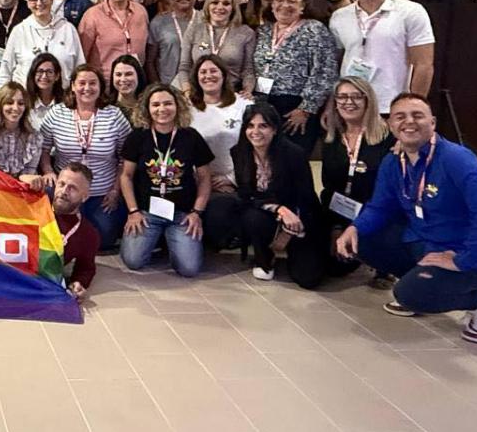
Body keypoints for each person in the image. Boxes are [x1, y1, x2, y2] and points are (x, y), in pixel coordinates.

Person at [336, 94, 477, 342]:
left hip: (468, 255)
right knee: (364, 239)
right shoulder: (393, 162)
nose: (409, 122)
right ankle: (424, 285)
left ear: (433, 122)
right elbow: (380, 207)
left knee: (407, 294)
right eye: (400, 117)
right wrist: (354, 228)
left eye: (417, 115)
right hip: (423, 244)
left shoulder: (456, 159)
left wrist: (464, 259)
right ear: (391, 125)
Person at [225, 101, 327, 287]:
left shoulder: (294, 154)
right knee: (250, 216)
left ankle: (296, 250)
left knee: (308, 279)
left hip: (299, 217)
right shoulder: (239, 152)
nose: (255, 132)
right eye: (250, 126)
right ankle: (264, 254)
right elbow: (247, 195)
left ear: (274, 129)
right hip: (267, 213)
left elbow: (306, 198)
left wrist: (287, 233)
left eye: (263, 126)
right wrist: (279, 209)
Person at [119, 84, 212, 277]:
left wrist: (196, 212)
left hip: (182, 214)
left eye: (168, 103)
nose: (162, 109)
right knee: (133, 261)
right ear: (147, 108)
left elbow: (204, 179)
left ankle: (172, 242)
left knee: (189, 269)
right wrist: (133, 211)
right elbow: (126, 176)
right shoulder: (138, 136)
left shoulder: (191, 136)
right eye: (156, 105)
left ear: (178, 106)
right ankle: (161, 241)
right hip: (146, 212)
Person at [329, 0, 435, 115]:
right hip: (350, 106)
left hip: (391, 107)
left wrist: (413, 109)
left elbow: (424, 65)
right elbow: (336, 63)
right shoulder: (339, 18)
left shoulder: (411, 11)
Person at [39, 64, 131, 248]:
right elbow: (43, 148)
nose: (87, 88)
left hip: (101, 193)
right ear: (72, 85)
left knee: (103, 240)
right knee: (54, 236)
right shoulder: (57, 113)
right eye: (82, 83)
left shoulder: (114, 115)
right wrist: (48, 170)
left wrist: (115, 190)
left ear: (100, 87)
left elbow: (125, 158)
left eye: (93, 83)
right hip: (66, 191)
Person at [319, 77, 393, 279]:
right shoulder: (331, 138)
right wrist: (336, 227)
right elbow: (329, 187)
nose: (348, 102)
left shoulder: (389, 138)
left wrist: (357, 227)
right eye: (342, 97)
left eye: (356, 97)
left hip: (373, 214)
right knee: (320, 270)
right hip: (339, 212)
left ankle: (381, 262)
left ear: (368, 100)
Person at [252, 0, 339, 152]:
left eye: (292, 1)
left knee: (292, 161)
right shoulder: (264, 31)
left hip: (296, 108)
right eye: (279, 0)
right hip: (265, 104)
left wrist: (305, 109)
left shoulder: (314, 29)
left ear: (302, 6)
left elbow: (324, 71)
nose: (284, 5)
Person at [185, 56, 253, 210]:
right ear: (196, 78)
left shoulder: (244, 105)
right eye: (203, 72)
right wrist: (202, 181)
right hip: (195, 183)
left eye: (213, 71)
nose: (208, 76)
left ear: (224, 75)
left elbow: (256, 148)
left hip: (234, 182)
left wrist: (231, 178)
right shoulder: (186, 108)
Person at [0, 0, 84, 90]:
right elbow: (5, 70)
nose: (39, 3)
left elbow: (80, 68)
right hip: (26, 102)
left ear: (51, 0)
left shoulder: (68, 30)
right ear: (28, 3)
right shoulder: (19, 31)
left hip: (62, 101)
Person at [176, 0, 255, 94]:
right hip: (198, 94)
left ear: (233, 8)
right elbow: (184, 67)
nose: (220, 7)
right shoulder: (194, 30)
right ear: (208, 5)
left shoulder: (246, 33)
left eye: (226, 3)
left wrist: (247, 91)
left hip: (232, 94)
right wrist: (187, 91)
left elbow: (248, 70)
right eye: (215, 2)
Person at [80, 0, 150, 78]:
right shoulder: (92, 15)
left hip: (135, 81)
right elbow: (82, 54)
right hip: (105, 82)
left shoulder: (141, 12)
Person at [0, 82, 44, 187]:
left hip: (23, 190)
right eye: (9, 102)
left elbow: (30, 171)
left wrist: (24, 178)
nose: (15, 108)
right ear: (0, 105)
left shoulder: (35, 138)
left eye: (21, 103)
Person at [52, 164, 101, 300]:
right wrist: (23, 178)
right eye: (61, 184)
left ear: (85, 197)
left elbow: (86, 268)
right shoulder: (35, 207)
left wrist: (79, 283)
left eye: (72, 188)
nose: (64, 191)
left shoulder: (87, 234)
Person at [147, 0, 197, 84]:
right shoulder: (158, 22)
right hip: (169, 87)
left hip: (201, 86)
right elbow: (150, 61)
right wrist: (157, 87)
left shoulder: (206, 20)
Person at [25, 53, 64, 132]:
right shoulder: (24, 102)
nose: (44, 76)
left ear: (57, 76)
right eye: (40, 71)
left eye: (49, 72)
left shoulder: (66, 103)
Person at [109, 54, 147, 124]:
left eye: (129, 74)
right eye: (118, 74)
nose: (123, 79)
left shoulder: (149, 106)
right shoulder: (106, 108)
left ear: (138, 76)